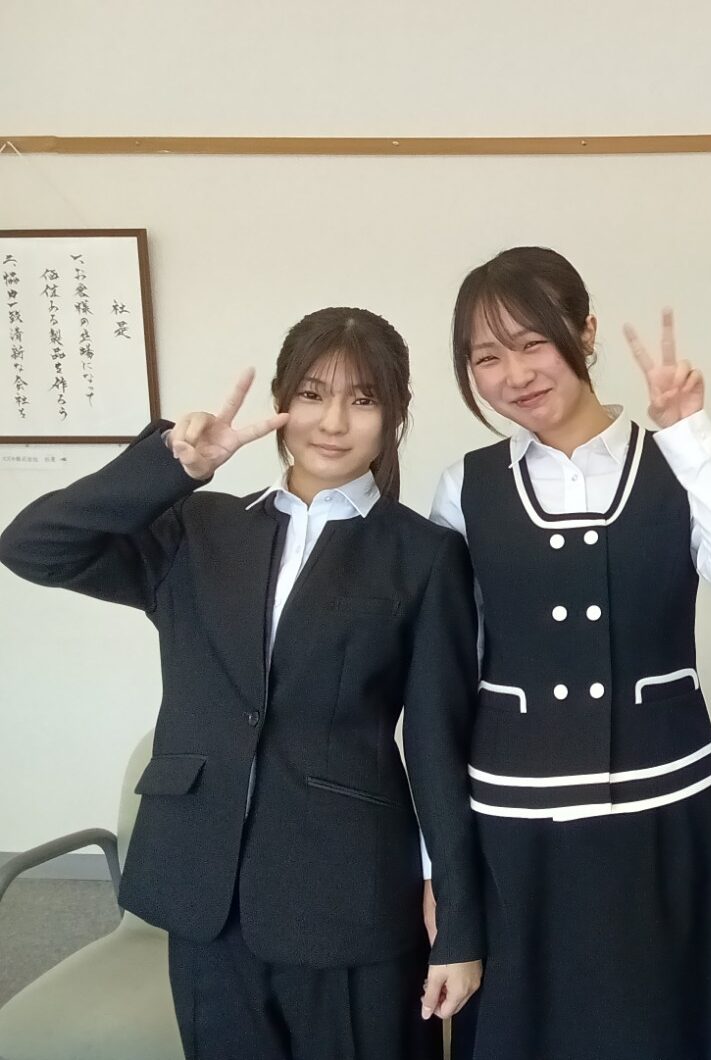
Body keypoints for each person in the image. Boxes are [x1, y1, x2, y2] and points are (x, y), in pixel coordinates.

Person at [0, 307, 483, 1060]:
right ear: (282, 401)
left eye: (362, 399)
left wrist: (458, 917)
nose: (333, 422)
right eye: (313, 394)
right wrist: (171, 466)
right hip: (203, 889)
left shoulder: (423, 555)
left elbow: (436, 744)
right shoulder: (196, 528)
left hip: (349, 895)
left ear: (394, 414)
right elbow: (34, 546)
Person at [431, 246, 711, 1060]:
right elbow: (444, 676)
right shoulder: (465, 487)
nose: (515, 375)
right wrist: (438, 863)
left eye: (533, 343)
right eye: (487, 358)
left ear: (585, 332)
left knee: (666, 1034)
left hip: (665, 811)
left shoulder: (677, 461)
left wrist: (689, 431)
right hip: (517, 826)